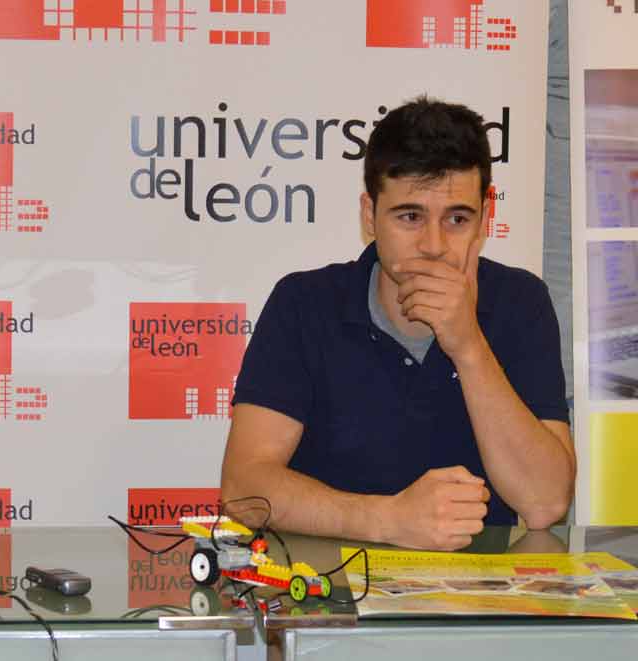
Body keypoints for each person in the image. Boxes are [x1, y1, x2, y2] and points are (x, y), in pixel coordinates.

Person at [221, 97, 574, 551]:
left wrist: (468, 346)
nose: (434, 245)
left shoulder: (521, 302)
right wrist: (388, 519)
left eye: (457, 219)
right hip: (332, 603)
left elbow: (545, 504)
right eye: (410, 216)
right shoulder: (304, 303)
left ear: (486, 218)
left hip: (479, 609)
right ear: (370, 215)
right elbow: (244, 489)